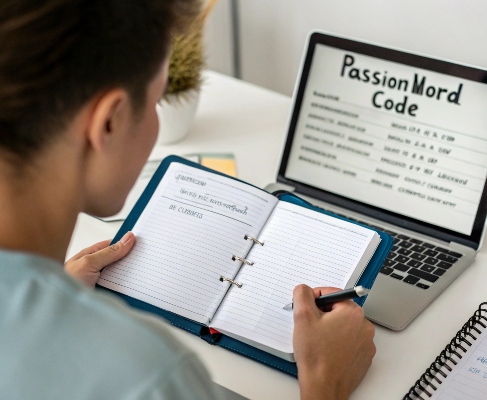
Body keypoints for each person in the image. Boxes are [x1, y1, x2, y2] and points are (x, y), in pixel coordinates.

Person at [0, 1, 376, 399]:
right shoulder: (151, 376)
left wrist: (52, 289)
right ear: (109, 122)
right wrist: (325, 384)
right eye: (158, 99)